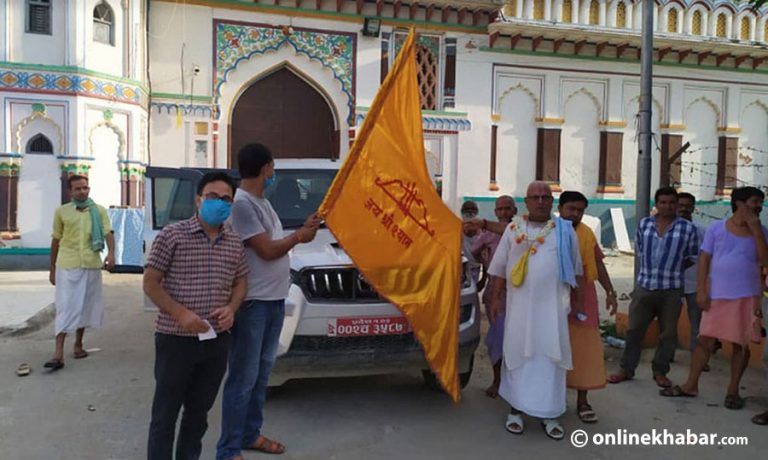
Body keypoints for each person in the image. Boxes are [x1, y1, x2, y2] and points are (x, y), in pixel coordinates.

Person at [216, 144, 321, 460]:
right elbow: (267, 250)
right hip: (253, 305)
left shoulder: (262, 203)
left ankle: (250, 434)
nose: (274, 173)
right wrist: (299, 236)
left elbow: (275, 241)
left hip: (273, 300)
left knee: (261, 375)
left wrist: (303, 228)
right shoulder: (243, 205)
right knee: (243, 379)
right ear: (266, 168)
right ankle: (229, 448)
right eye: (273, 167)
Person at [145, 172, 248, 460]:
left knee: (198, 414)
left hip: (216, 341)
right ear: (199, 199)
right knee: (165, 415)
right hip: (175, 339)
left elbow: (241, 281)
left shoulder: (233, 242)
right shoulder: (172, 235)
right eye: (213, 197)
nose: (219, 203)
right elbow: (150, 283)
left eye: (226, 199)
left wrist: (232, 307)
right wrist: (181, 314)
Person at [486, 181, 583, 440]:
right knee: (518, 354)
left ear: (552, 202)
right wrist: (495, 299)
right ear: (526, 202)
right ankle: (516, 410)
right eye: (535, 197)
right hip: (519, 310)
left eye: (545, 197)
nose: (540, 201)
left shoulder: (564, 231)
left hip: (553, 311)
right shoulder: (512, 229)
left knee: (550, 358)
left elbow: (576, 271)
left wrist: (579, 305)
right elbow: (498, 269)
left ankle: (550, 413)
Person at [661, 186, 768, 411]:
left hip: (746, 297)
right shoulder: (716, 229)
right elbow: (704, 260)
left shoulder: (762, 231)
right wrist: (701, 290)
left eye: (760, 202)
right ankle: (691, 384)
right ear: (738, 203)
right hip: (717, 295)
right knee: (704, 341)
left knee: (740, 344)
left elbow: (764, 261)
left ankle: (733, 391)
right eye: (754, 201)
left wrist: (757, 230)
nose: (758, 206)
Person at [608, 186, 699, 388]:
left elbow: (692, 257)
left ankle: (660, 371)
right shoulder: (644, 225)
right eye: (663, 202)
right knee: (634, 330)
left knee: (668, 334)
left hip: (672, 289)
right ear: (656, 205)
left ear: (676, 205)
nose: (667, 206)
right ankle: (626, 369)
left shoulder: (687, 228)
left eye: (671, 203)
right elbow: (640, 250)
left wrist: (673, 268)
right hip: (645, 287)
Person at [558, 191, 617, 423]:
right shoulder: (551, 232)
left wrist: (610, 292)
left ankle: (583, 401)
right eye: (571, 209)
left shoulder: (586, 233)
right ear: (560, 208)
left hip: (585, 296)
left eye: (580, 210)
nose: (575, 214)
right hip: (557, 294)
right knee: (555, 347)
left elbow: (598, 265)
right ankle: (553, 399)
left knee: (585, 350)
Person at [46, 174, 115, 371]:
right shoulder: (62, 212)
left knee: (85, 304)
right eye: (78, 189)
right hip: (67, 265)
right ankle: (58, 352)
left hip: (91, 264)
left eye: (85, 188)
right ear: (70, 191)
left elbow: (107, 233)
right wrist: (52, 268)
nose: (82, 191)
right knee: (65, 306)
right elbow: (56, 240)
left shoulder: (99, 211)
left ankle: (78, 345)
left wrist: (111, 254)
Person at [470, 195, 517, 398]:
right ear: (495, 212)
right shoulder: (488, 234)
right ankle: (498, 380)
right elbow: (473, 251)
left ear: (514, 211)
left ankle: (515, 382)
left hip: (519, 293)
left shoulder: (521, 232)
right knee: (498, 337)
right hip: (495, 294)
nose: (505, 212)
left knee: (517, 339)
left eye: (508, 209)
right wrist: (484, 266)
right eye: (501, 209)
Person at [677, 192, 712, 371]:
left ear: (693, 208)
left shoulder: (702, 230)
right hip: (672, 283)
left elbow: (708, 257)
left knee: (697, 324)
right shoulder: (668, 229)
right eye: (680, 205)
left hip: (695, 284)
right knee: (668, 321)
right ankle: (665, 356)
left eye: (687, 206)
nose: (683, 209)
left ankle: (698, 358)